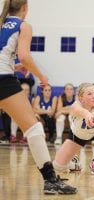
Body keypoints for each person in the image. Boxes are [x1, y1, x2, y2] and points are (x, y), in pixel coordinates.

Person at [0, 0, 76, 194]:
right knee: (34, 128)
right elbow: (25, 56)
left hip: (4, 75)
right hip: (3, 80)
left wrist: (13, 66)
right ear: (25, 8)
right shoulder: (23, 25)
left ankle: (51, 179)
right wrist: (42, 77)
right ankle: (50, 181)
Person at [53, 83, 94, 175]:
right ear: (81, 98)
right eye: (89, 94)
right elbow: (79, 111)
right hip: (77, 137)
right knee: (58, 166)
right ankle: (74, 161)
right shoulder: (75, 106)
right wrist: (88, 115)